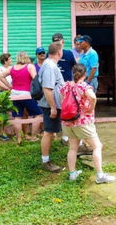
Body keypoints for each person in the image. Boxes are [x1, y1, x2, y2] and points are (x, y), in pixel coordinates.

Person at [60, 63, 116, 184]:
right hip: (82, 121)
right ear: (84, 74)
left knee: (73, 148)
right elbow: (93, 97)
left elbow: (62, 101)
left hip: (68, 122)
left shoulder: (66, 86)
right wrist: (90, 109)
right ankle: (100, 175)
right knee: (97, 146)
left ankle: (72, 173)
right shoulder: (83, 86)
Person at [0, 51, 42, 144]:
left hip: (14, 94)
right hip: (27, 94)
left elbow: (0, 76)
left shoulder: (12, 68)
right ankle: (33, 136)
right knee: (38, 114)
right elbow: (35, 78)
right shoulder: (30, 66)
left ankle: (19, 139)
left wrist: (9, 87)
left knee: (17, 117)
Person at [38, 42, 65, 172]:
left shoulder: (50, 64)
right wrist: (53, 107)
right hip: (50, 105)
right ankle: (45, 161)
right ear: (59, 52)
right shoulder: (49, 66)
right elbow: (47, 89)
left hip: (53, 104)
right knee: (48, 132)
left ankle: (46, 159)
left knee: (51, 131)